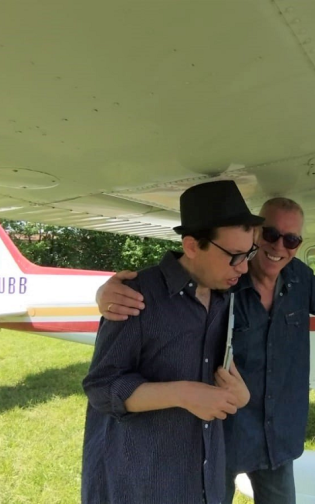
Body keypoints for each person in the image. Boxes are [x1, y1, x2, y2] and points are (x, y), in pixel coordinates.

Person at [97, 196, 315, 504]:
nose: (279, 247)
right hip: (222, 433)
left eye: (291, 240)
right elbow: (182, 279)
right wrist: (107, 292)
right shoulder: (223, 280)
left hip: (278, 433)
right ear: (257, 235)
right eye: (271, 234)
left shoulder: (298, 279)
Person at [81, 180, 263, 504]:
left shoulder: (226, 293)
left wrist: (241, 394)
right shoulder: (134, 296)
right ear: (192, 246)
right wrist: (183, 393)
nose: (244, 267)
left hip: (204, 478)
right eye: (235, 256)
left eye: (249, 253)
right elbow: (101, 388)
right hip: (144, 482)